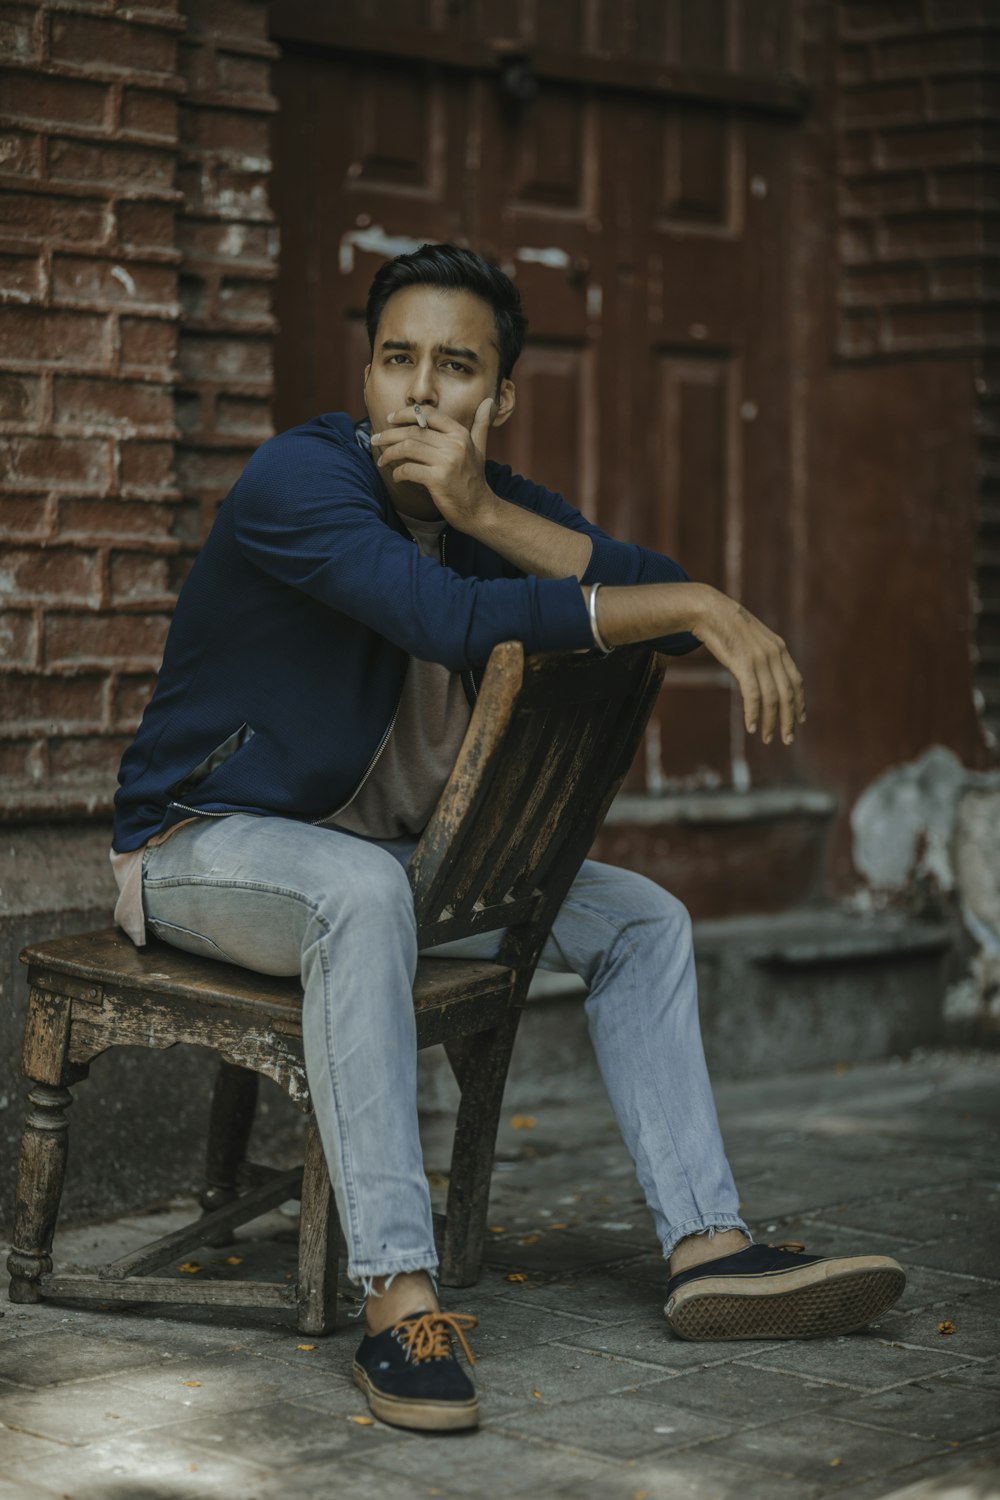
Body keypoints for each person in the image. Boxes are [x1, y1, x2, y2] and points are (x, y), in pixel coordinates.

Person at [110, 244, 905, 1434]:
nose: (420, 395)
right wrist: (683, 603)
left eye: (455, 367)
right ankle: (399, 1294)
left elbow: (643, 588)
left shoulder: (489, 509)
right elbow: (446, 615)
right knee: (357, 900)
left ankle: (707, 1245)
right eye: (397, 360)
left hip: (389, 857)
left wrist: (498, 516)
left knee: (642, 916)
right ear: (365, 376)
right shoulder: (300, 481)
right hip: (208, 848)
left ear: (499, 399)